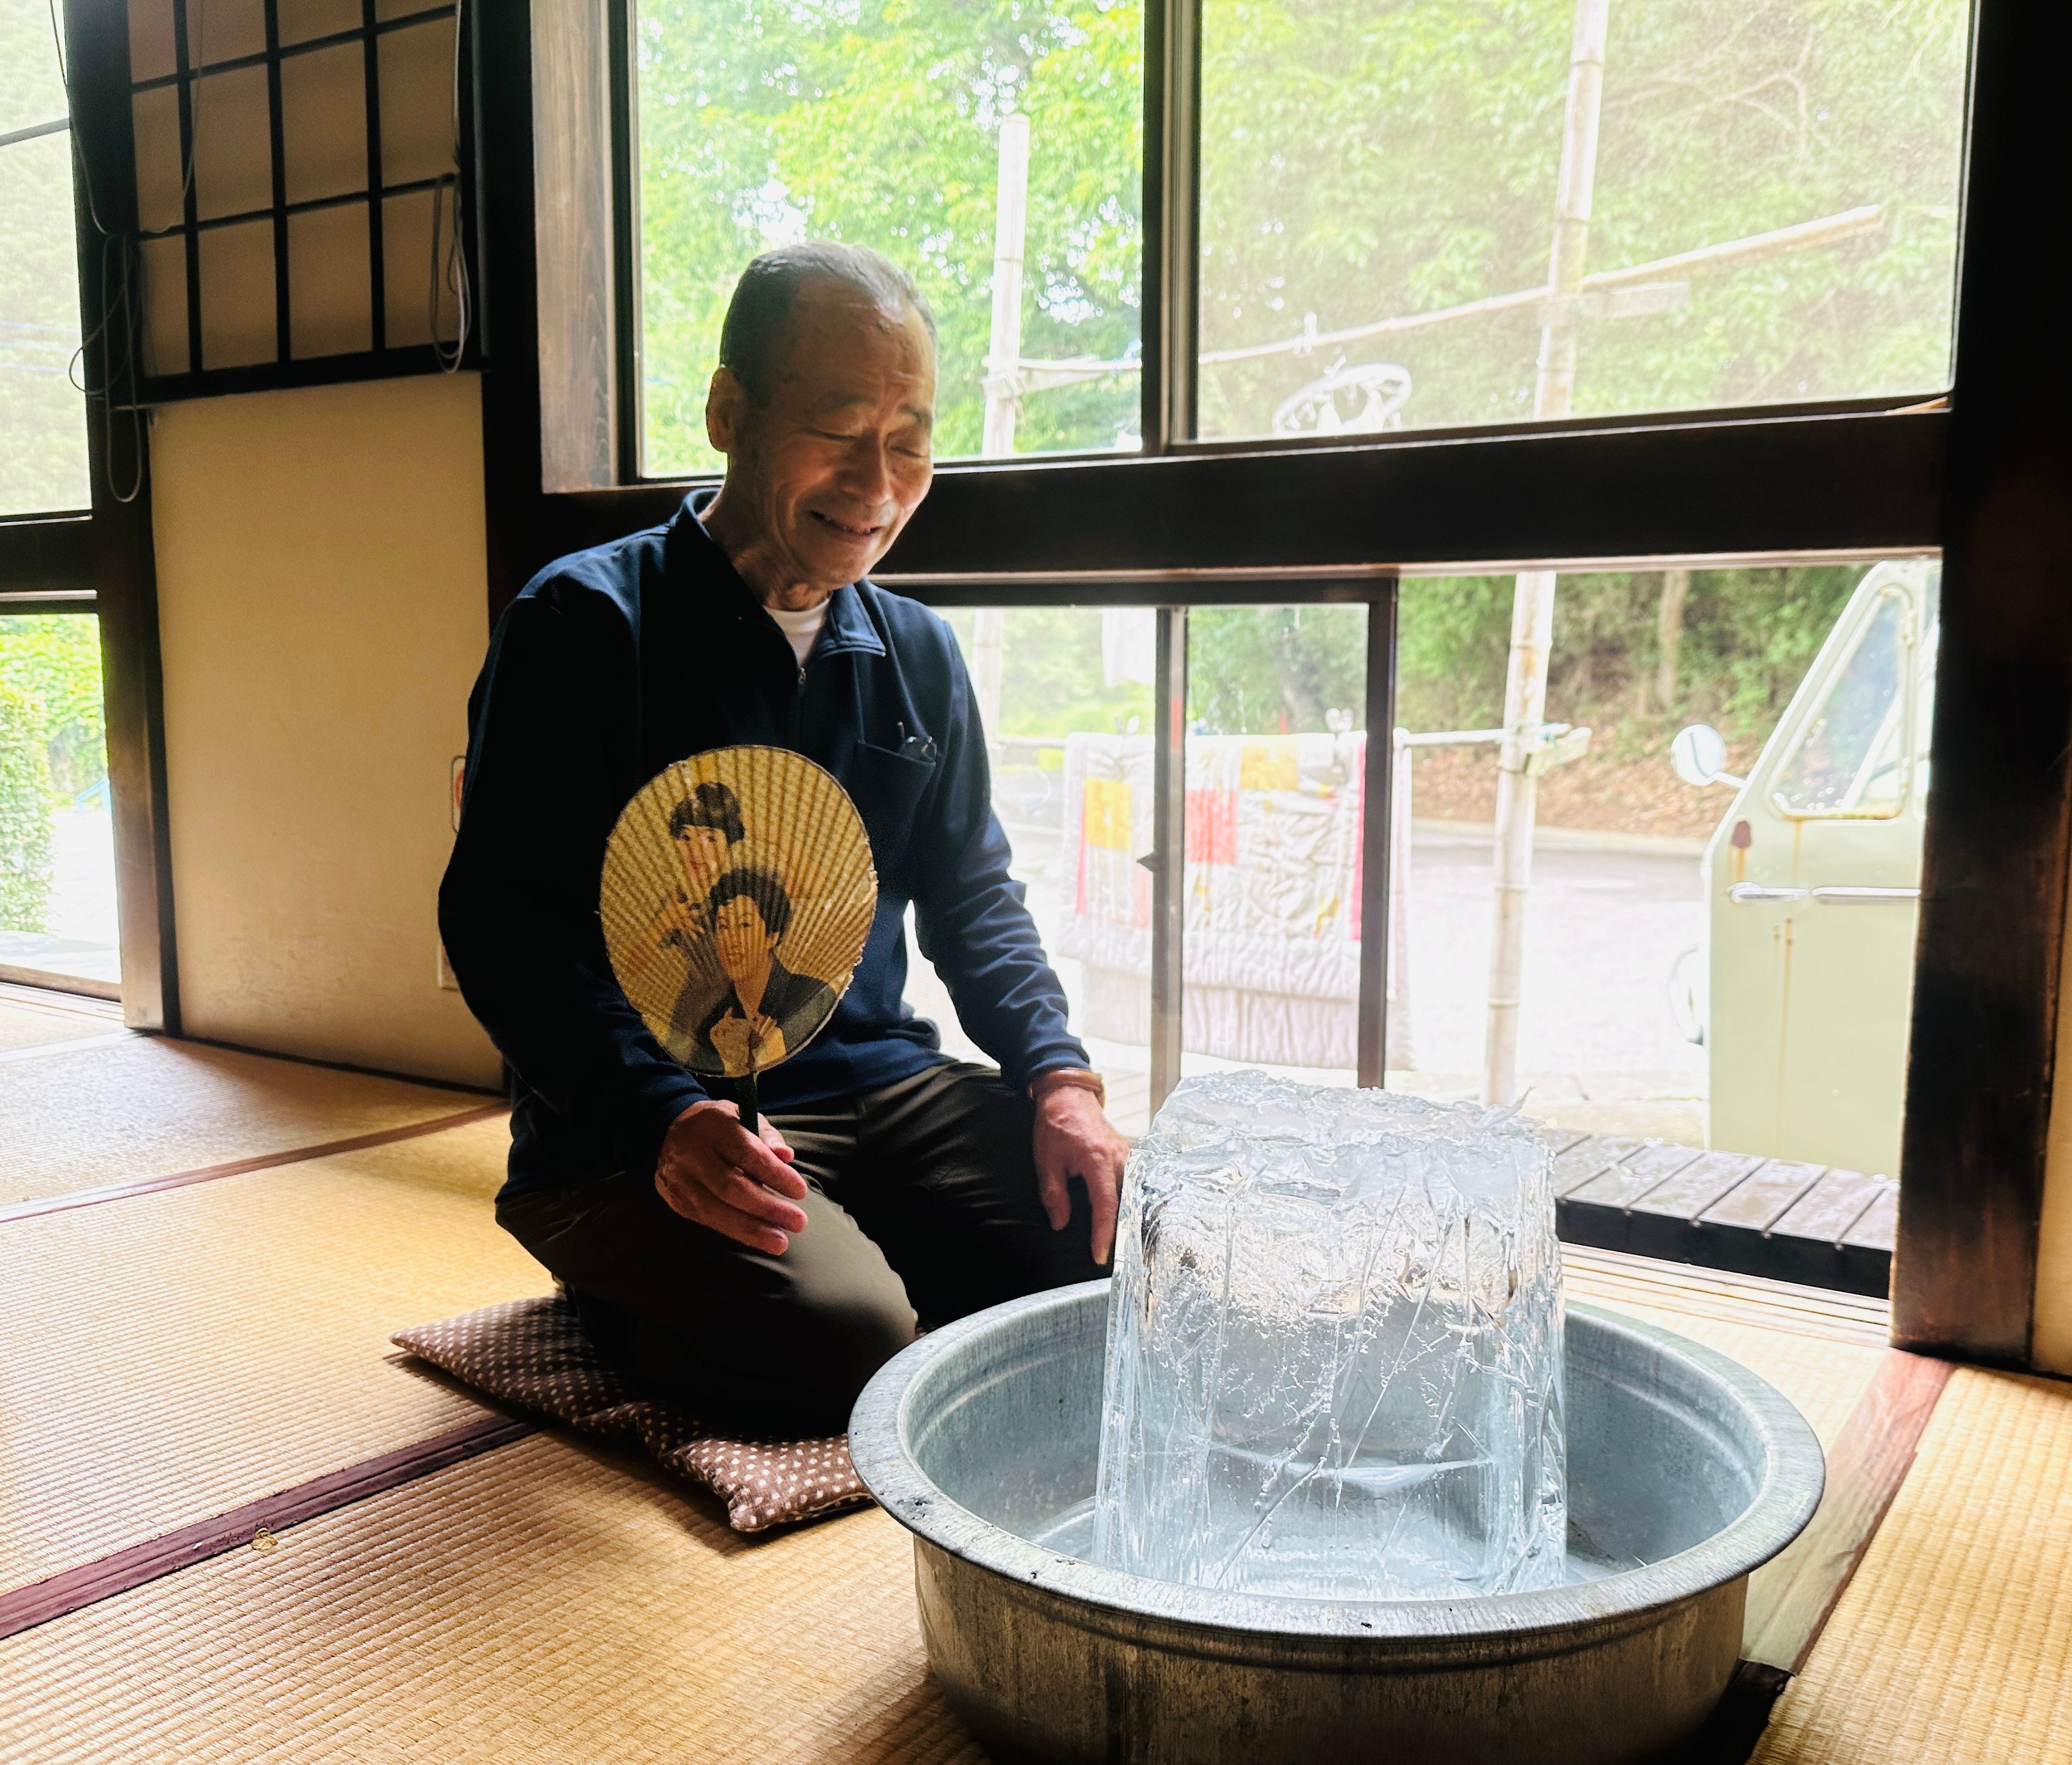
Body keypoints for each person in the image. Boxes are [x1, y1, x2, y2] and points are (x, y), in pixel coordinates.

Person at [439, 240, 1128, 1436]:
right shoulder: (587, 625)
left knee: (1129, 1246)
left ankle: (846, 1257)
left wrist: (1060, 1078)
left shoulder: (914, 652)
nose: (879, 478)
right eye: (840, 424)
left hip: (876, 1084)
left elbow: (974, 898)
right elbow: (502, 922)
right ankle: (620, 1275)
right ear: (729, 412)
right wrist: (659, 1115)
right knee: (847, 1348)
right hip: (645, 1122)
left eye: (909, 438)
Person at [676, 864, 836, 1073]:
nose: (731, 941)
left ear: (772, 936)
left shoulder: (812, 995)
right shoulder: (714, 1023)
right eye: (723, 927)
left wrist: (752, 1053)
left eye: (745, 926)